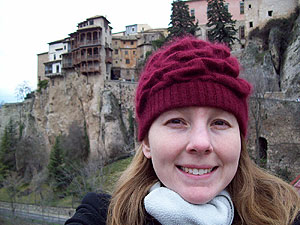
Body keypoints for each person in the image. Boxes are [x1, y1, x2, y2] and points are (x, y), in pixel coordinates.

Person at [65, 36, 300, 225]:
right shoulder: (101, 216)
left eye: (219, 123)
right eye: (177, 121)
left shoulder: (286, 214)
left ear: (240, 140)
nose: (200, 143)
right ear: (146, 142)